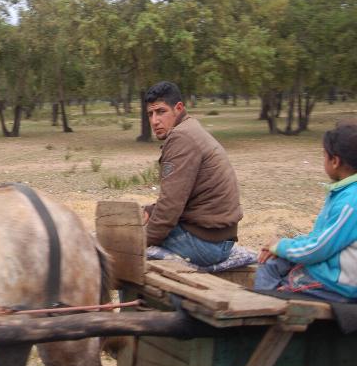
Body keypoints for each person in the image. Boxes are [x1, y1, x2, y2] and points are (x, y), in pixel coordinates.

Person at [142, 81, 243, 266]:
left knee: (124, 244)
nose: (155, 120)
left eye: (161, 111)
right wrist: (150, 210)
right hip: (218, 239)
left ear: (178, 108)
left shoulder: (181, 138)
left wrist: (139, 241)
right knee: (139, 227)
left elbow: (170, 208)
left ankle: (137, 295)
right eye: (150, 113)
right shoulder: (190, 129)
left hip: (206, 244)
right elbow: (179, 196)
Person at [254, 121, 357, 302]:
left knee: (271, 268)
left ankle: (261, 313)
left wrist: (279, 246)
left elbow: (319, 248)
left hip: (339, 283)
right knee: (276, 262)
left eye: (324, 155)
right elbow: (321, 237)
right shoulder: (345, 193)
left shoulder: (351, 201)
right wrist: (286, 245)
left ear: (335, 161)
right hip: (334, 270)